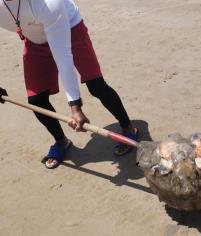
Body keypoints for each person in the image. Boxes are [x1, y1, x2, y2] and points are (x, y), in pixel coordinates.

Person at [0, 0, 139, 169]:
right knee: (36, 100)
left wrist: (75, 107)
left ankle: (128, 128)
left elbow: (63, 56)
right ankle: (61, 142)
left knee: (96, 85)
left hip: (70, 27)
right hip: (34, 39)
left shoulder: (49, 3)